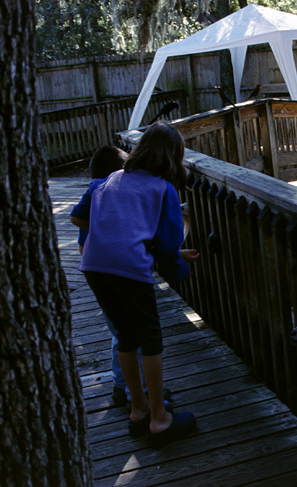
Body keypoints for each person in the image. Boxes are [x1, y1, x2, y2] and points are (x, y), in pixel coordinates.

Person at [70, 123, 199, 447]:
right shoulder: (162, 189)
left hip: (94, 266)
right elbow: (169, 247)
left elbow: (79, 216)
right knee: (150, 340)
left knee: (126, 336)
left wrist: (114, 235)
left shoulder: (111, 178)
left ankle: (138, 409)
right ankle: (159, 419)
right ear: (173, 156)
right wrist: (181, 269)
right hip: (128, 268)